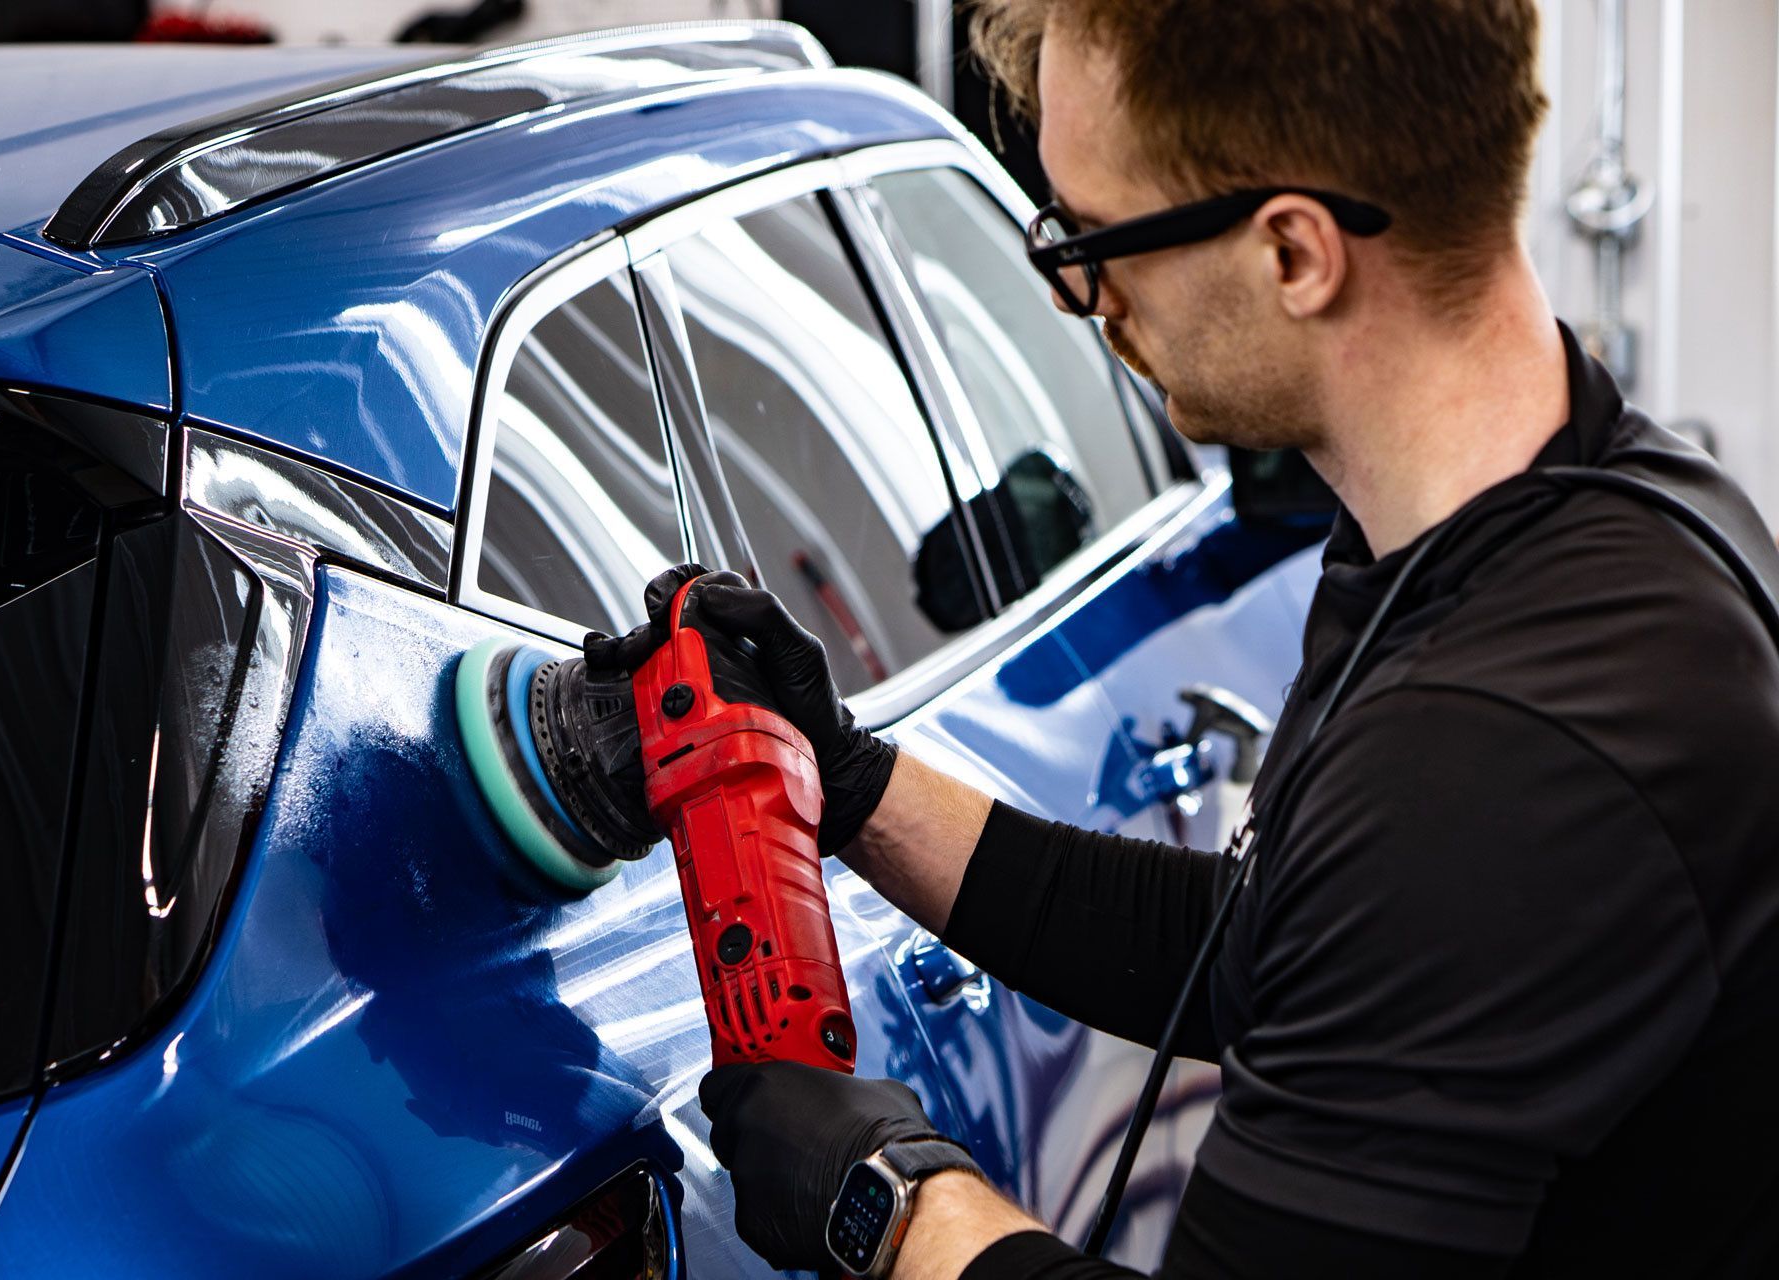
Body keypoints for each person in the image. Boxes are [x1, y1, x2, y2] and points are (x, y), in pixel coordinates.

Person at [588, 1, 1779, 1275]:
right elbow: (1274, 940)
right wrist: (853, 777)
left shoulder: (1499, 759)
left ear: (1294, 255)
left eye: (1099, 238)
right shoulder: (1582, 502)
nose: (1080, 296)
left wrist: (885, 1202)